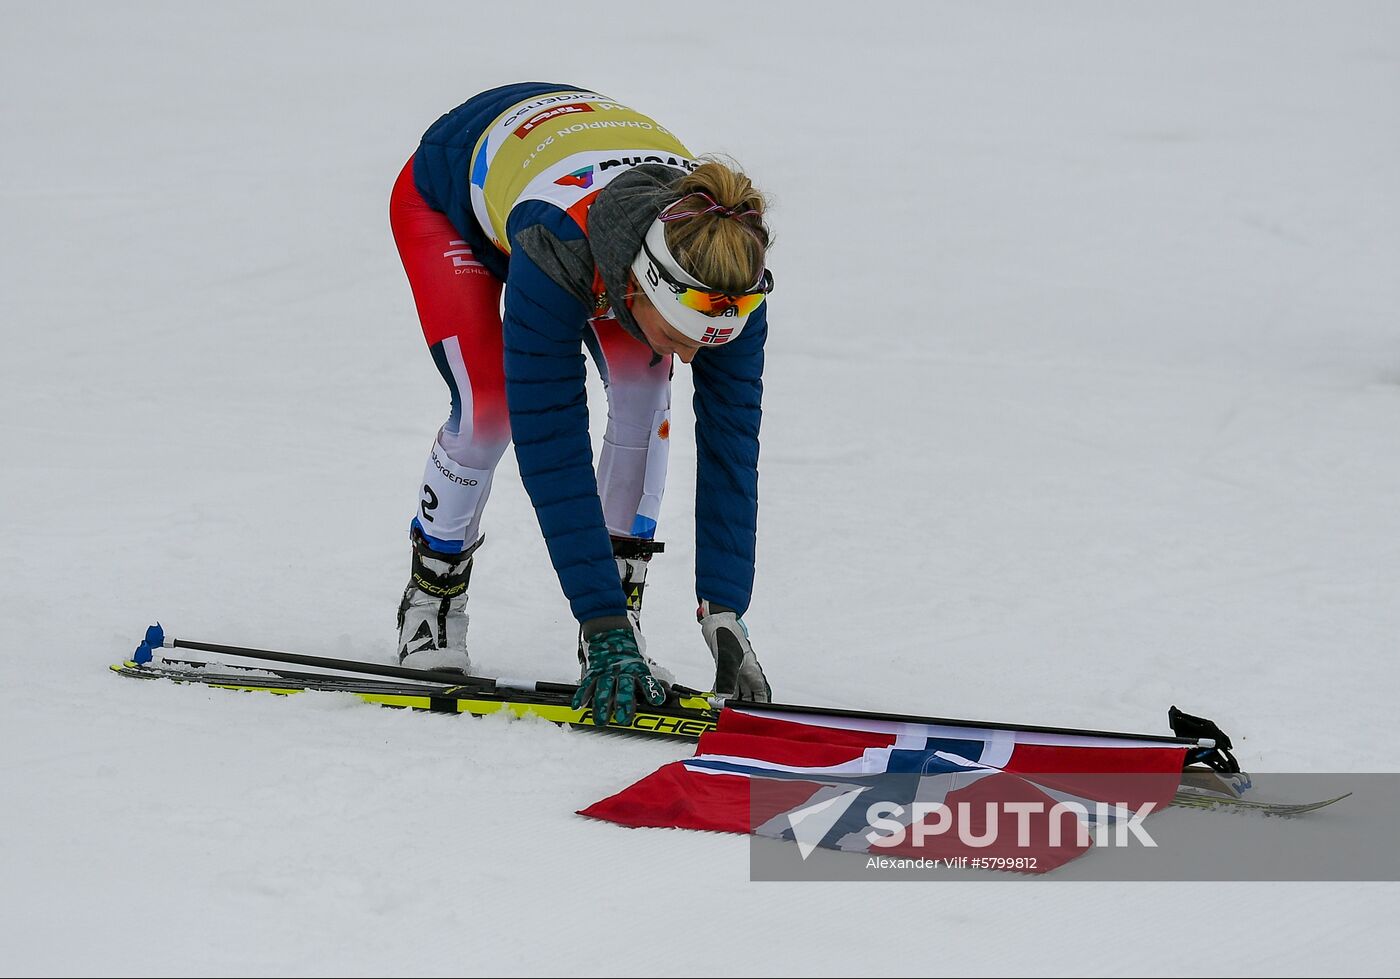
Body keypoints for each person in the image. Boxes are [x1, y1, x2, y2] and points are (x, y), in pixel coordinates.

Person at [388, 82, 774, 726]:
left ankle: (625, 618)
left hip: (601, 203)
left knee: (649, 393)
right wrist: (598, 621)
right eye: (678, 338)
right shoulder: (558, 245)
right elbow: (553, 447)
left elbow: (733, 443)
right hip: (452, 198)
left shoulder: (728, 270)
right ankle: (433, 596)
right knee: (491, 411)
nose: (688, 357)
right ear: (637, 291)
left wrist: (725, 608)